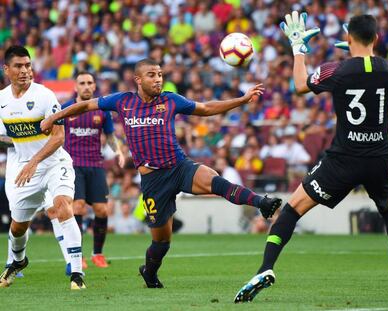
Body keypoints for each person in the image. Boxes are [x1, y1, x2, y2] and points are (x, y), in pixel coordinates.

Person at [40, 58, 282, 289]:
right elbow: (85, 105)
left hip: (178, 166)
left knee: (214, 180)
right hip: (153, 181)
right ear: (138, 79)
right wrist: (55, 116)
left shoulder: (170, 100)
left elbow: (206, 108)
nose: (158, 80)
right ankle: (149, 271)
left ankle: (261, 202)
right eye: (152, 75)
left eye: (160, 75)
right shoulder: (122, 101)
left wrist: (242, 99)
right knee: (161, 241)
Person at [234, 12, 388, 303]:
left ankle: (265, 268)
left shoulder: (336, 71)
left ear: (348, 38)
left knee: (292, 209)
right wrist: (360, 53)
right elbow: (373, 70)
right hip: (379, 158)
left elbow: (301, 85)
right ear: (377, 38)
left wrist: (298, 50)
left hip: (343, 158)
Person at [0, 46, 85, 289]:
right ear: (7, 70)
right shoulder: (2, 101)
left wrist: (35, 160)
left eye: (28, 65)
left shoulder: (45, 96)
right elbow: (4, 137)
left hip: (54, 163)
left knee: (62, 207)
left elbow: (59, 137)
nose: (25, 70)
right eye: (19, 66)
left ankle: (77, 274)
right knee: (17, 227)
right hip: (24, 169)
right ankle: (18, 261)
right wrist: (18, 146)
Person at [62, 71, 124, 269]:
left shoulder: (102, 110)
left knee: (102, 210)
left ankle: (98, 254)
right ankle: (77, 256)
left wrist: (119, 152)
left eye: (90, 83)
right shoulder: (66, 109)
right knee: (78, 207)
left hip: (95, 164)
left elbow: (110, 136)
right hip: (73, 165)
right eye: (82, 83)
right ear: (76, 87)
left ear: (95, 86)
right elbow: (54, 134)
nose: (86, 86)